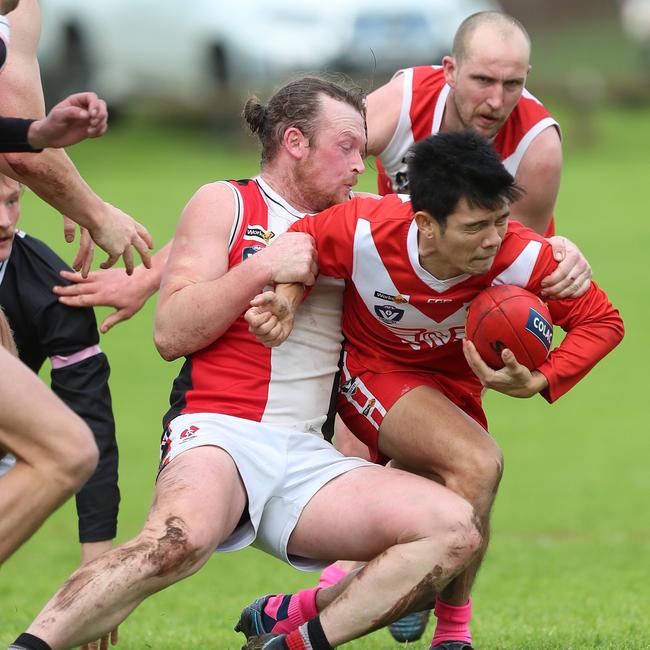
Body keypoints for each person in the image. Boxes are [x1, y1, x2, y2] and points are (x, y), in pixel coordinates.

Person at [9, 77, 484, 650]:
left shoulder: (360, 220)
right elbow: (171, 331)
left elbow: (455, 227)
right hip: (219, 430)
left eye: (363, 149)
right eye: (347, 147)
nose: (361, 164)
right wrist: (262, 267)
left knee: (454, 530)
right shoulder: (225, 201)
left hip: (309, 453)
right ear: (294, 142)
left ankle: (294, 641)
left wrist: (554, 257)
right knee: (175, 543)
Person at [240, 130, 624, 650]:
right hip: (372, 375)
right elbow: (301, 244)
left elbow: (603, 321)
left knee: (453, 524)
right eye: (475, 227)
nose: (493, 239)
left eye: (500, 221)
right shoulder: (365, 229)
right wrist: (285, 298)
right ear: (425, 224)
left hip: (453, 394)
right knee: (478, 464)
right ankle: (451, 635)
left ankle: (299, 611)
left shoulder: (522, 257)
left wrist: (543, 375)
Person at [0, 173, 120, 628]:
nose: (3, 222)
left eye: (13, 201)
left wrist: (97, 564)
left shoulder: (52, 286)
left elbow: (87, 418)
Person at [366, 11, 561, 238]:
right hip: (394, 257)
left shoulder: (538, 147)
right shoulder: (403, 102)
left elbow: (509, 260)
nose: (496, 101)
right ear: (451, 71)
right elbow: (323, 165)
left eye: (512, 84)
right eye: (483, 80)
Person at [0, 0, 153, 277]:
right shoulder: (20, 13)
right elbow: (20, 157)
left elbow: (17, 141)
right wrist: (96, 214)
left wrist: (38, 134)